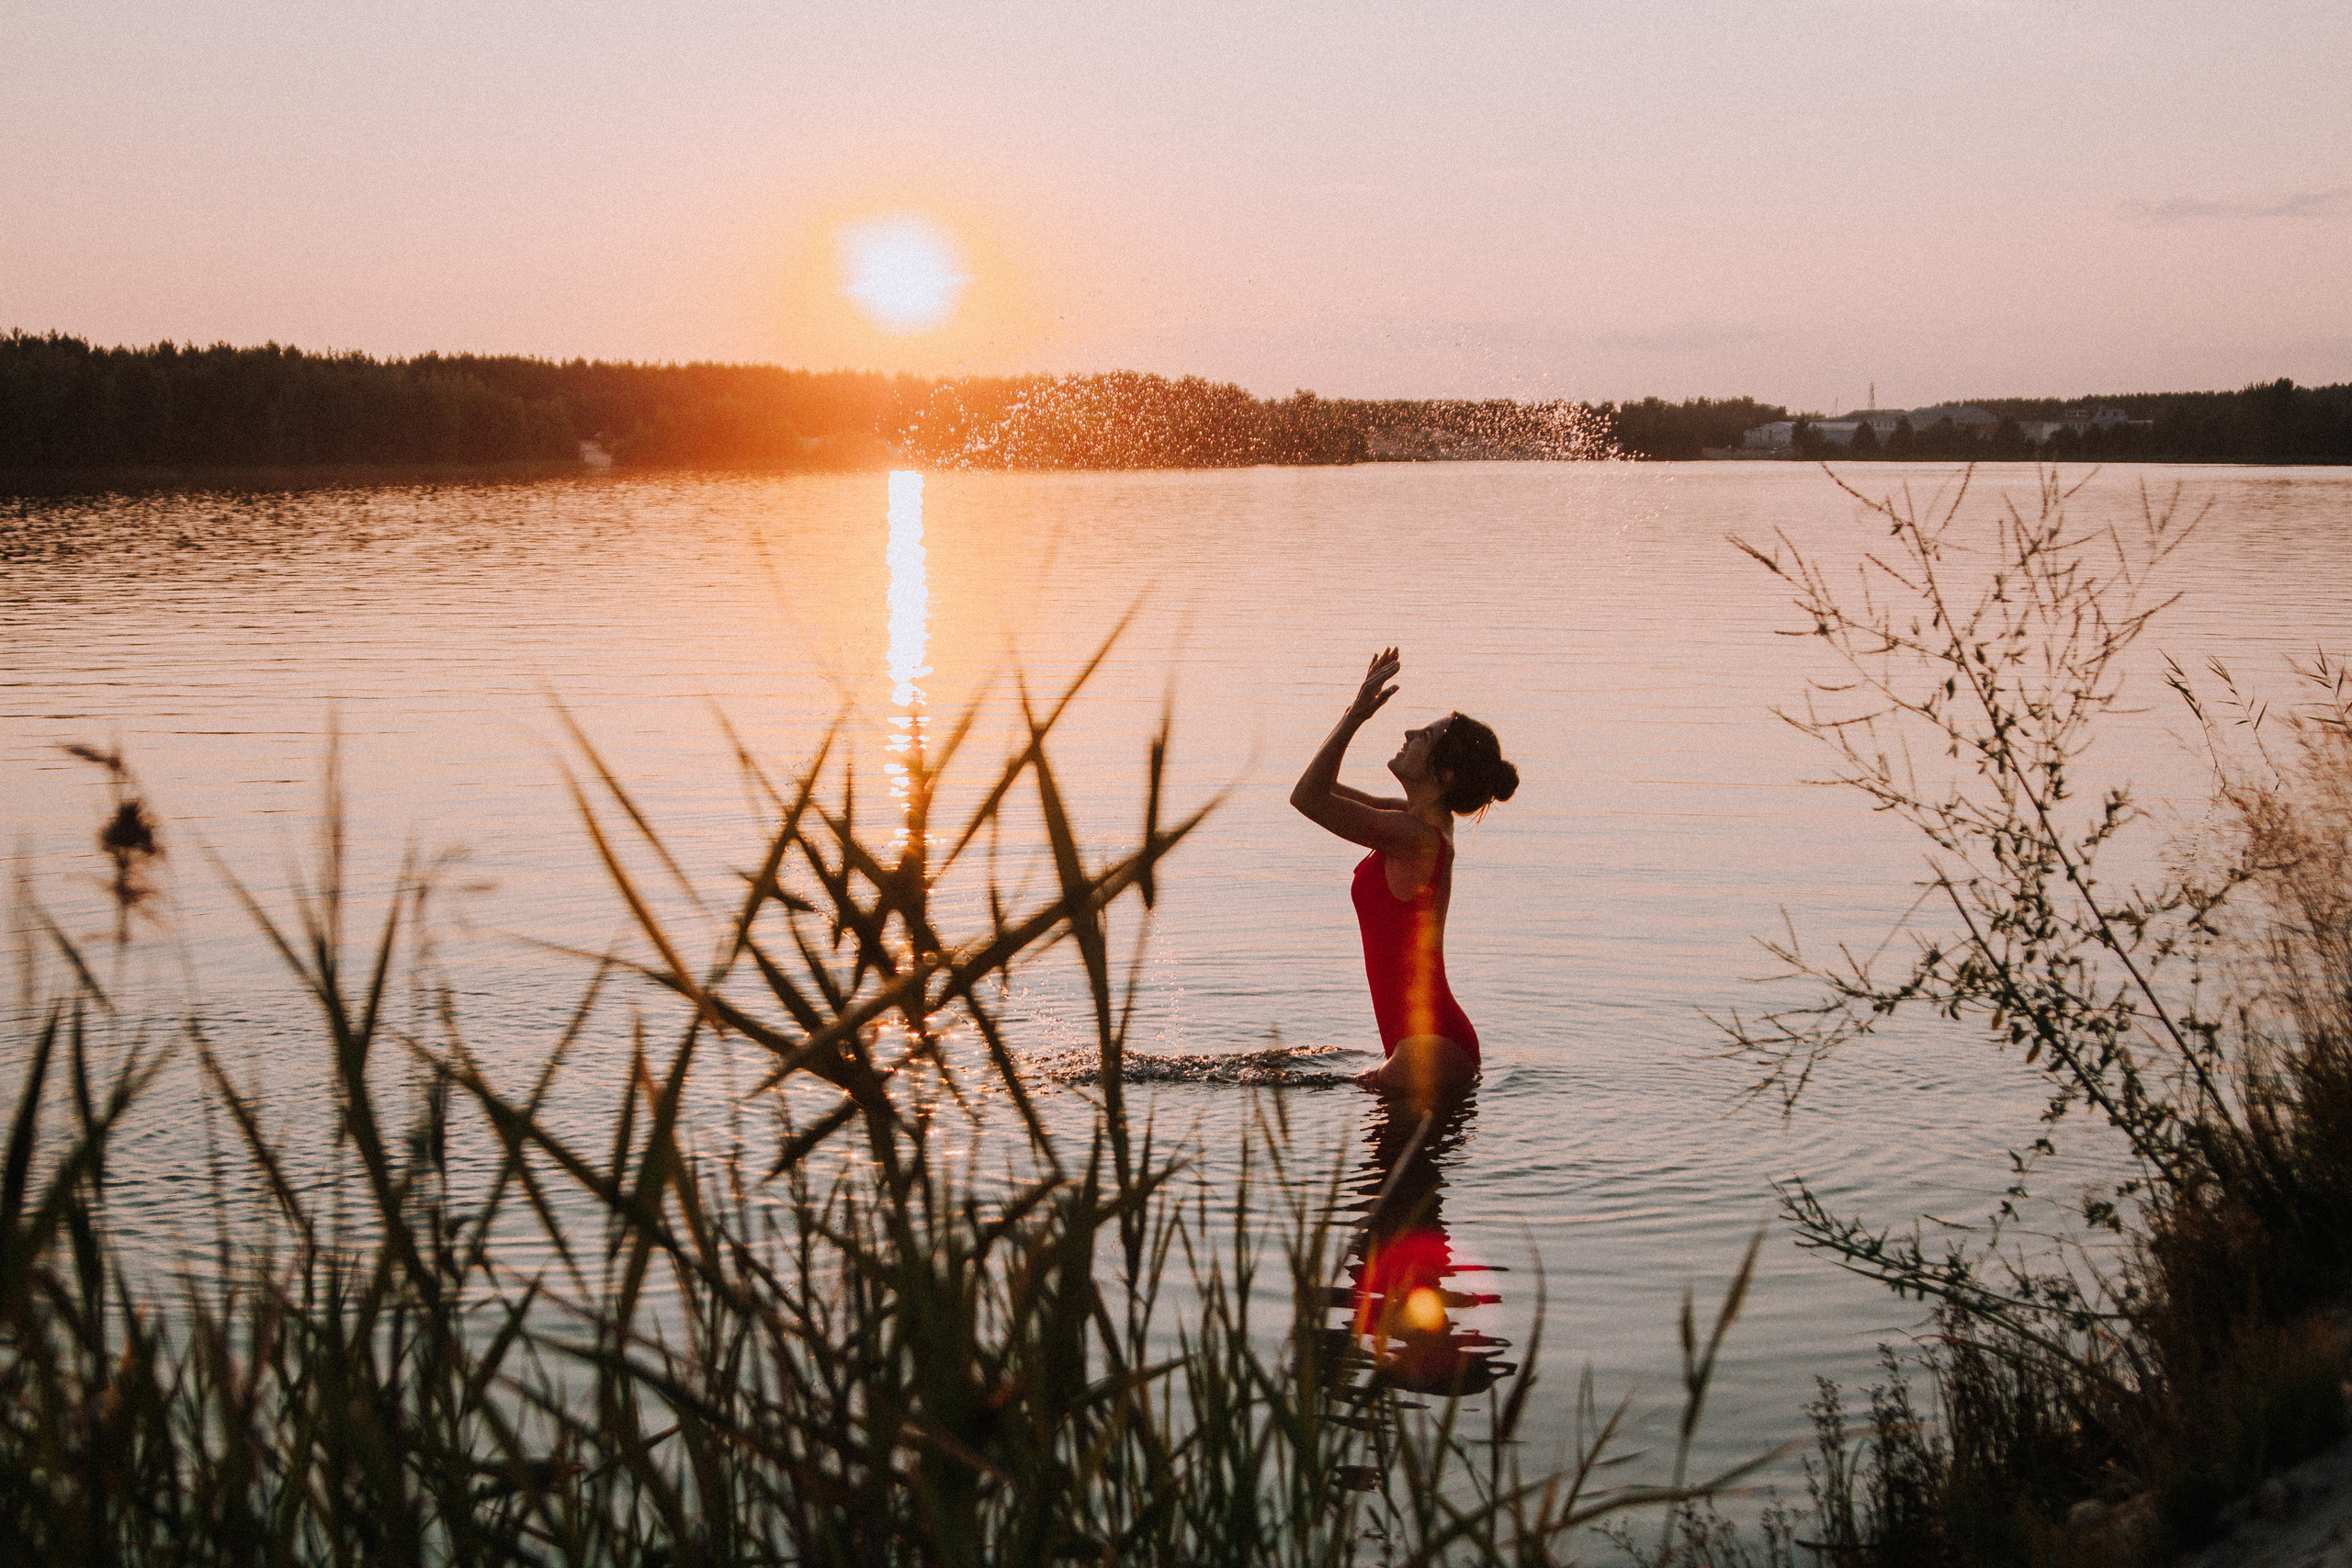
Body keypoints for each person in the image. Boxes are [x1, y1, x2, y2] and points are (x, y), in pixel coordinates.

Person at [1290, 648, 1519, 1104]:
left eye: (1425, 736)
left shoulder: (1415, 837)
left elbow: (1307, 797)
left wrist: (1357, 717)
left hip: (1429, 1049)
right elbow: (1318, 785)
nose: (1410, 732)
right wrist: (1353, 708)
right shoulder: (1408, 823)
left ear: (1444, 774)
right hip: (1427, 1046)